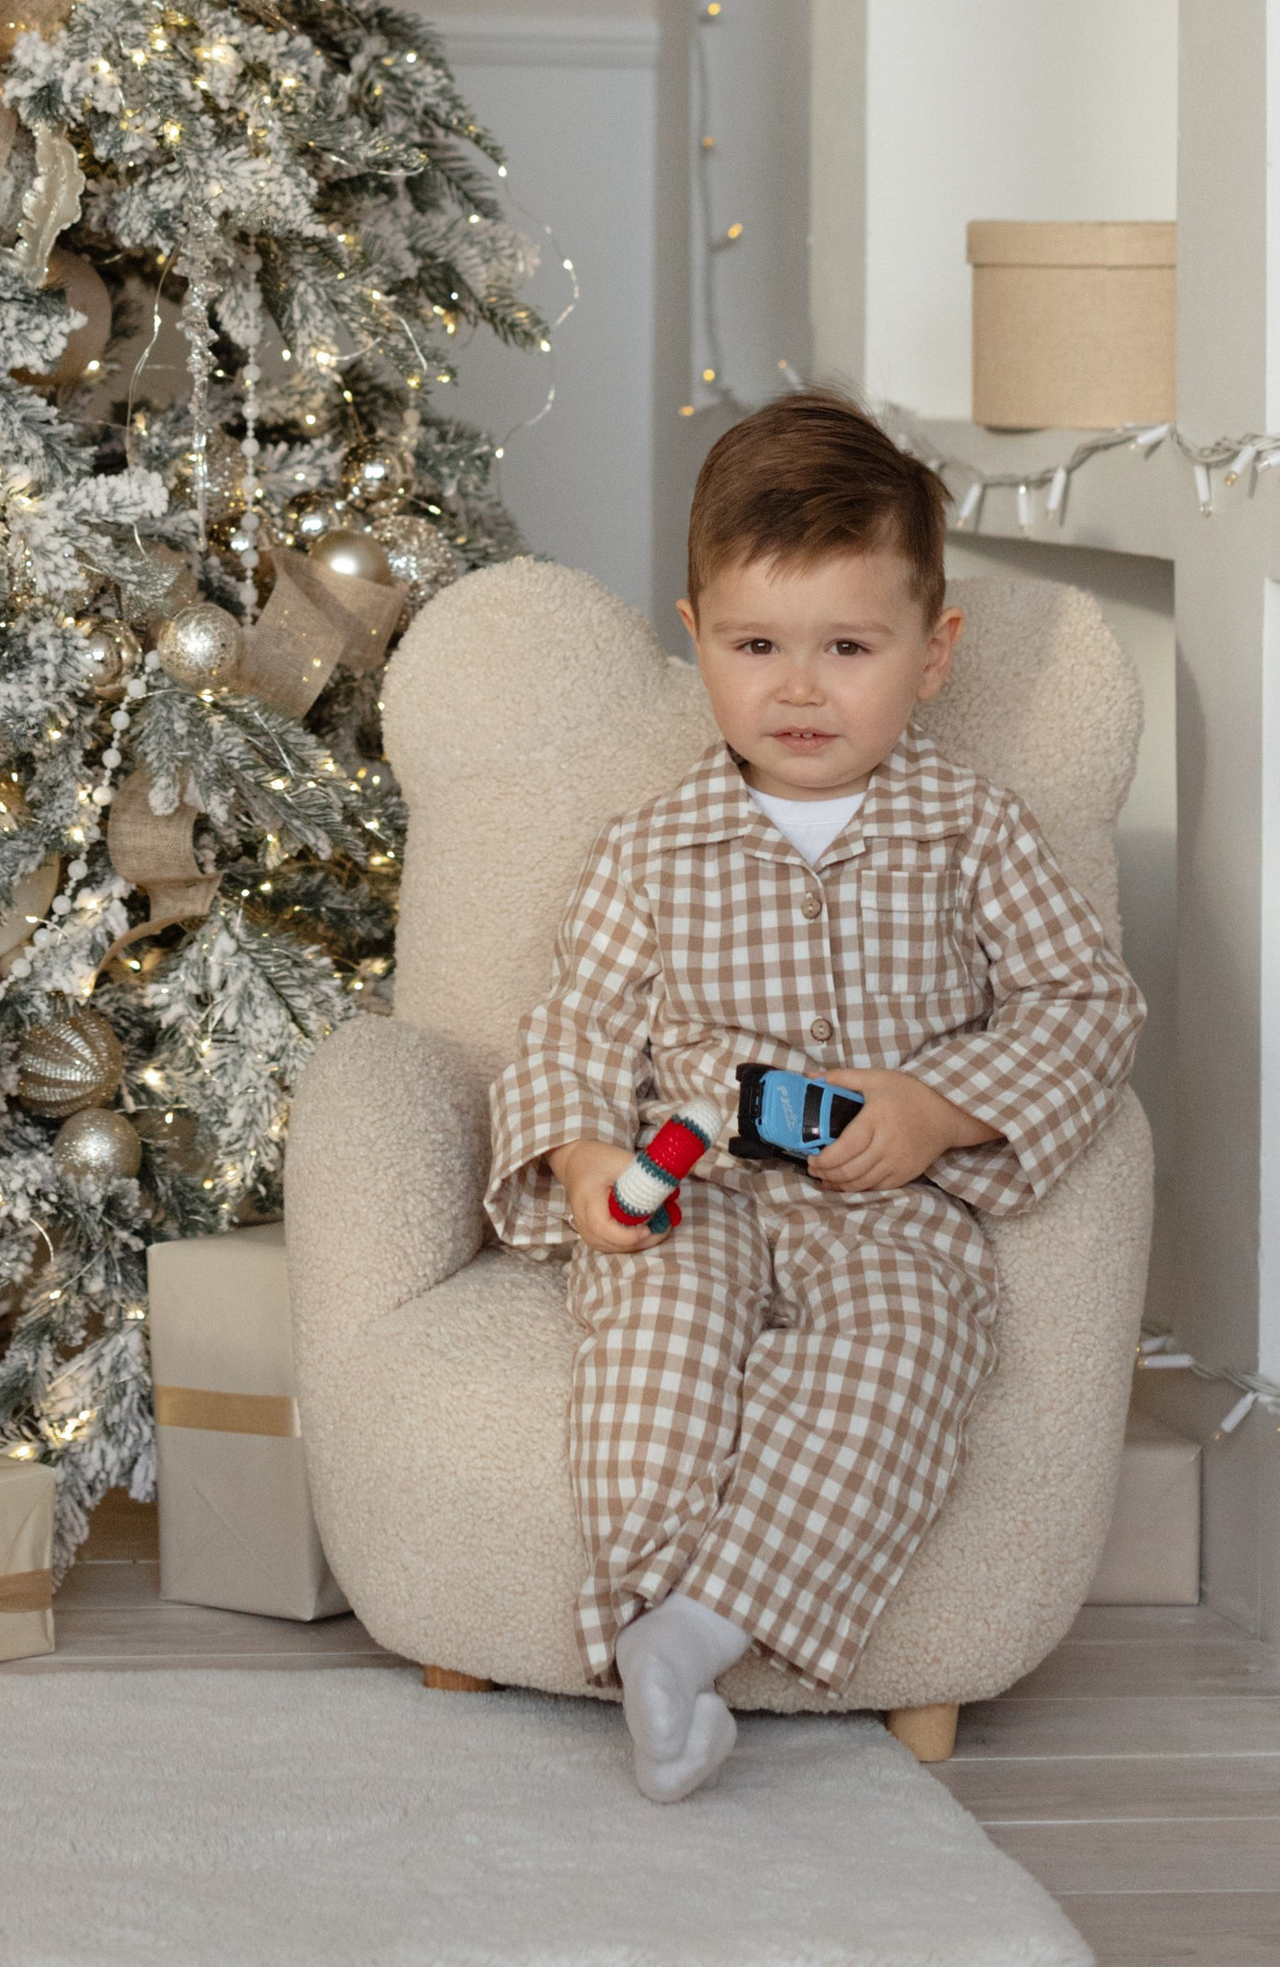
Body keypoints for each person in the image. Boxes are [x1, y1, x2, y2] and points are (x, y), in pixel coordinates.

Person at [484, 389, 1142, 1803]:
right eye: (757, 646)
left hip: (884, 1202)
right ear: (695, 638)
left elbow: (1086, 1006)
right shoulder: (651, 850)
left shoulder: (970, 828)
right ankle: (655, 1623)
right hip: (697, 1186)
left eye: (848, 648)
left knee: (903, 1353)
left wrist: (938, 1107)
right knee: (650, 1368)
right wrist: (590, 1156)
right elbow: (574, 1025)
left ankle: (692, 1640)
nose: (798, 689)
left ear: (932, 654)